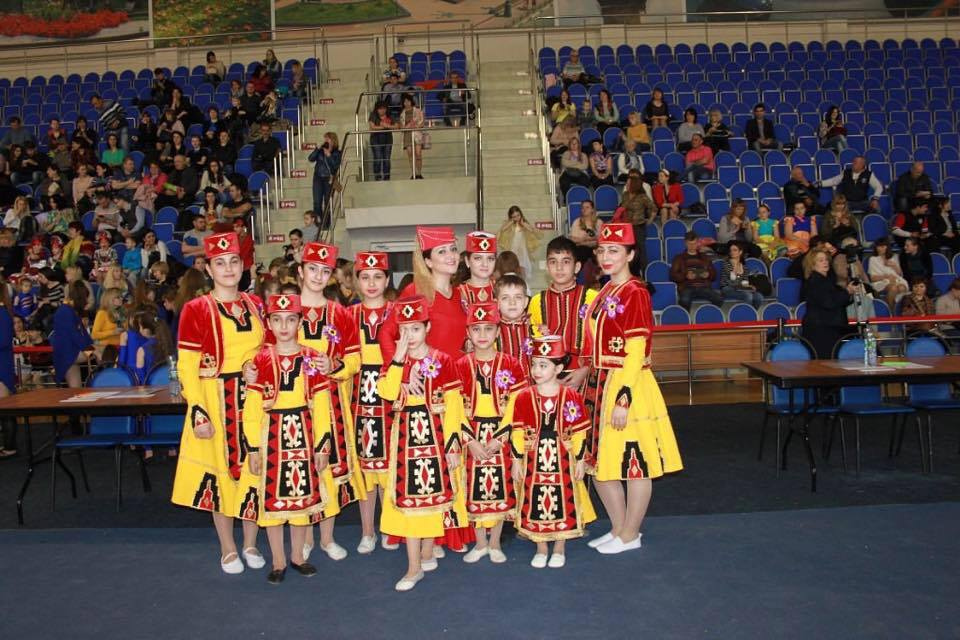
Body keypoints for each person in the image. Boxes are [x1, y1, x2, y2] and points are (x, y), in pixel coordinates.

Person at [582, 223, 682, 553]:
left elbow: (636, 349)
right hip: (599, 384)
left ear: (630, 254)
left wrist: (623, 399)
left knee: (634, 462)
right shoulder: (605, 290)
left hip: (627, 383)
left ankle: (631, 534)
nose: (606, 256)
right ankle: (618, 528)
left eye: (614, 250)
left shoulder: (635, 292)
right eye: (602, 250)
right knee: (601, 463)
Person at [171, 232, 265, 575]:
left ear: (243, 265)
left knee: (255, 470)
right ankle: (228, 547)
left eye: (234, 261)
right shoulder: (195, 309)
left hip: (253, 400)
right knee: (219, 475)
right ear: (208, 269)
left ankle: (251, 542)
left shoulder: (255, 305)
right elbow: (187, 366)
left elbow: (266, 351)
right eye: (220, 263)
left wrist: (258, 369)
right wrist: (197, 409)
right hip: (215, 399)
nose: (228, 268)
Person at [241, 293, 333, 583]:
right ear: (269, 323)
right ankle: (278, 560)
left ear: (300, 323)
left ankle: (297, 556)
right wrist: (253, 447)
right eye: (277, 320)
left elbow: (322, 404)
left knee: (301, 499)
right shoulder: (260, 360)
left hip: (303, 433)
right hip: (271, 435)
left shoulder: (312, 358)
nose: (284, 326)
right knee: (272, 501)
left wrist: (323, 444)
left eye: (290, 319)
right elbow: (251, 408)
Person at [377, 296, 465, 591]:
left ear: (427, 327)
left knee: (434, 496)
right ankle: (413, 567)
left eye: (415, 328)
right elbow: (387, 392)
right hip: (405, 438)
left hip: (436, 436)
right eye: (403, 330)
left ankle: (427, 550)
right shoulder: (395, 362)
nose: (409, 336)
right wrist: (399, 362)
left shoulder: (443, 360)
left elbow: (454, 406)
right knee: (410, 498)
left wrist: (453, 445)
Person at [291, 242, 365, 561]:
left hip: (331, 402)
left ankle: (327, 537)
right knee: (301, 465)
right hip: (293, 404)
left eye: (324, 271)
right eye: (312, 269)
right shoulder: (285, 311)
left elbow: (355, 359)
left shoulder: (340, 314)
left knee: (330, 467)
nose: (318, 276)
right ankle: (304, 535)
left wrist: (334, 365)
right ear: (300, 271)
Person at [502, 334, 594, 568]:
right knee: (534, 497)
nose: (536, 370)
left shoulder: (571, 396)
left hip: (563, 457)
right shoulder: (524, 397)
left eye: (543, 365)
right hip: (533, 457)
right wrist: (516, 460)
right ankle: (541, 547)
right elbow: (517, 432)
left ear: (559, 368)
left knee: (563, 497)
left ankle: (560, 547)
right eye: (534, 364)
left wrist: (580, 460)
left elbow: (579, 432)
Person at [456, 302, 525, 564]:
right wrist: (469, 440)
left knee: (500, 486)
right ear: (468, 333)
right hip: (472, 434)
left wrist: (501, 437)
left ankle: (495, 541)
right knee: (472, 487)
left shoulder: (512, 364)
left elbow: (518, 405)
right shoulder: (460, 365)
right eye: (476, 329)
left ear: (497, 332)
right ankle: (480, 542)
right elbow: (454, 408)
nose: (482, 335)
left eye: (488, 329)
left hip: (500, 434)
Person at [348, 252, 396, 553]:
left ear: (387, 280)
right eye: (365, 277)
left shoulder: (397, 312)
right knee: (365, 467)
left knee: (390, 464)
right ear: (357, 281)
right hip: (360, 396)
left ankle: (389, 527)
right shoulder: (348, 315)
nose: (371, 283)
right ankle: (367, 531)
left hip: (391, 392)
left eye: (378, 276)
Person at [381, 226, 468, 363]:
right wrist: (401, 369)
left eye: (453, 249)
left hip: (460, 373)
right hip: (431, 373)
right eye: (442, 251)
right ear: (428, 262)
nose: (451, 255)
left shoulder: (461, 294)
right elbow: (386, 333)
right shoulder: (415, 292)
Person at [528, 235, 597, 387]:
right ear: (547, 266)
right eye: (553, 262)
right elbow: (531, 345)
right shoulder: (536, 301)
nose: (559, 268)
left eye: (566, 262)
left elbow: (601, 341)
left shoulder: (593, 298)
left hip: (586, 376)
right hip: (547, 379)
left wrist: (586, 370)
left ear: (577, 267)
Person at [801, 248, 856, 358]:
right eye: (820, 260)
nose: (825, 262)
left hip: (827, 327)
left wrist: (848, 293)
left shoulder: (826, 280)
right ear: (812, 264)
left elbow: (837, 300)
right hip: (821, 329)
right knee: (825, 361)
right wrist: (847, 292)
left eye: (826, 259)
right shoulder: (816, 281)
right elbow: (829, 302)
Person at [50, 281, 95, 389]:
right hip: (68, 354)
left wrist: (91, 345)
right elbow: (75, 335)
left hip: (69, 354)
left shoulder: (69, 311)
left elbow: (82, 333)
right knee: (99, 351)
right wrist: (91, 348)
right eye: (86, 298)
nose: (87, 301)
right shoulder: (66, 311)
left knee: (75, 390)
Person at [494, 273, 533, 382]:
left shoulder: (534, 329)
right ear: (497, 303)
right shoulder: (492, 332)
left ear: (526, 302)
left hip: (530, 387)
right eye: (505, 298)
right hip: (501, 388)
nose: (512, 302)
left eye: (518, 297)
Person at [618, 170, 657, 275]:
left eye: (629, 183)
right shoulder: (625, 195)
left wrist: (650, 220)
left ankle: (644, 273)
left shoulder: (642, 197)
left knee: (640, 249)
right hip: (627, 227)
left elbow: (653, 208)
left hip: (638, 226)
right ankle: (631, 272)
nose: (627, 184)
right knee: (628, 250)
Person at [671, 231, 723, 309]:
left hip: (704, 286)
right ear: (685, 243)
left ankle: (709, 315)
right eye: (689, 244)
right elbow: (673, 276)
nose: (692, 246)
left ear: (698, 243)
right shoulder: (679, 258)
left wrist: (708, 275)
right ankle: (687, 316)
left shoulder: (705, 257)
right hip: (687, 287)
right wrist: (685, 276)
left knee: (719, 299)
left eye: (694, 243)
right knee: (684, 300)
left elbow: (714, 275)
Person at [496, 206, 541, 280]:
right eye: (514, 217)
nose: (517, 218)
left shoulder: (524, 223)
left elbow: (533, 231)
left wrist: (523, 224)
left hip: (522, 248)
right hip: (513, 247)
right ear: (511, 217)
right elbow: (502, 230)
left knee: (523, 266)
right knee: (513, 265)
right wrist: (510, 223)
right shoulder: (509, 224)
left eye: (518, 215)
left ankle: (523, 282)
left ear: (521, 214)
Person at [308, 131, 342, 224]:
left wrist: (329, 156)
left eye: (328, 138)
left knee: (328, 202)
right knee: (317, 202)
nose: (326, 140)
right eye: (325, 138)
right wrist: (317, 149)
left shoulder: (337, 153)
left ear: (333, 140)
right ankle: (318, 223)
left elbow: (335, 166)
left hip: (329, 179)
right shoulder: (320, 151)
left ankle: (327, 224)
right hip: (318, 178)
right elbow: (310, 158)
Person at [867, 236, 909, 311]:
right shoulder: (873, 259)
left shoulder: (894, 257)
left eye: (883, 246)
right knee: (893, 288)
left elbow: (900, 274)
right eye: (878, 246)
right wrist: (886, 277)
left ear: (887, 247)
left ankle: (899, 310)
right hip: (881, 282)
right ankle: (891, 310)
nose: (880, 249)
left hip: (896, 280)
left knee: (902, 288)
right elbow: (872, 278)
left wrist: (894, 266)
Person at [720, 242, 764, 308]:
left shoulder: (744, 266)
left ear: (740, 252)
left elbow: (744, 282)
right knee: (748, 296)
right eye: (731, 250)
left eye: (735, 250)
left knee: (759, 296)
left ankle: (752, 312)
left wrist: (749, 286)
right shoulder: (726, 264)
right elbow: (733, 280)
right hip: (727, 288)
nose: (732, 252)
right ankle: (745, 313)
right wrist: (735, 265)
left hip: (740, 288)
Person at [458, 231, 497, 305]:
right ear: (467, 261)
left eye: (490, 258)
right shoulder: (458, 294)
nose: (485, 264)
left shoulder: (503, 289)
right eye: (478, 258)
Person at [568, 200, 600, 286]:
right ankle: (577, 280)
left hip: (595, 248)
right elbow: (573, 239)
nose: (584, 209)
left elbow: (600, 239)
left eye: (587, 207)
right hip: (581, 249)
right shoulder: (577, 222)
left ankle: (597, 280)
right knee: (582, 251)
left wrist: (584, 241)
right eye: (582, 208)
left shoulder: (599, 222)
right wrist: (586, 239)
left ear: (592, 209)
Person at [0, 282, 16, 458]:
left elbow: (3, 341)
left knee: (5, 408)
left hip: (2, 365)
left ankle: (10, 446)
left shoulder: (3, 313)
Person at [399, 94, 425, 179]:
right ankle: (413, 173)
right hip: (407, 134)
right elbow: (401, 126)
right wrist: (407, 126)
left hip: (417, 133)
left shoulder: (418, 111)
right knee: (410, 155)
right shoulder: (402, 113)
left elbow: (422, 123)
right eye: (405, 101)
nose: (406, 103)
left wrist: (415, 126)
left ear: (411, 101)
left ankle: (419, 173)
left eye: (408, 101)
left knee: (418, 154)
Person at [368, 101, 396, 181]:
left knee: (387, 159)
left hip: (388, 139)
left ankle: (387, 176)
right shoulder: (373, 115)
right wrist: (384, 127)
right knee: (377, 157)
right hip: (375, 139)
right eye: (380, 109)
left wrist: (387, 126)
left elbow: (397, 126)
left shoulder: (390, 115)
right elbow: (372, 127)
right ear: (377, 109)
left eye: (384, 108)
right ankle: (377, 176)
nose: (382, 110)